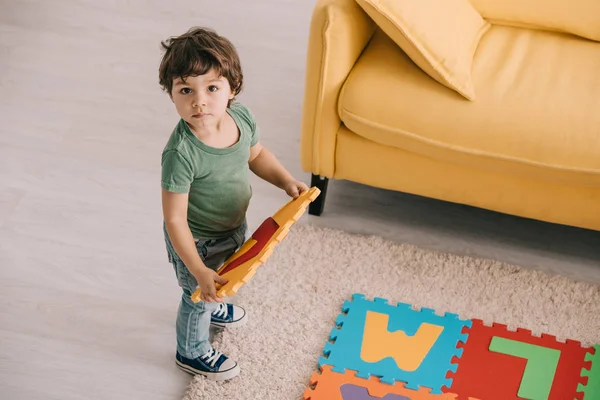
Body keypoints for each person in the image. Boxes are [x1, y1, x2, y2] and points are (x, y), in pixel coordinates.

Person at [158, 26, 308, 380]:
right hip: (197, 241)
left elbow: (257, 156)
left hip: (232, 226)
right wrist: (198, 269)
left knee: (224, 275)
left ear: (232, 89)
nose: (200, 101)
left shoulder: (241, 119)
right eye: (186, 90)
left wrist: (286, 181)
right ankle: (190, 352)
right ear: (172, 95)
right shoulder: (181, 154)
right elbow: (175, 220)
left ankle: (216, 298)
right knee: (198, 296)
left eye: (212, 88)